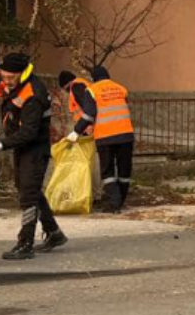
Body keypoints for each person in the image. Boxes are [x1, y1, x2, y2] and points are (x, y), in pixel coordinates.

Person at [0, 52, 67, 260]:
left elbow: (29, 132)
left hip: (35, 148)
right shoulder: (18, 85)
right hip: (22, 147)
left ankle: (25, 243)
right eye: (4, 76)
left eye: (10, 77)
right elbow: (7, 95)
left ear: (22, 73)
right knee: (28, 188)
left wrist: (1, 144)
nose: (7, 81)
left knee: (28, 195)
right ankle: (54, 233)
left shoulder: (34, 94)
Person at [89, 65, 136, 214]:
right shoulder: (120, 88)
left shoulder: (92, 90)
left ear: (93, 78)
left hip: (105, 136)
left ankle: (114, 203)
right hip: (126, 135)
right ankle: (120, 201)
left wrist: (76, 132)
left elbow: (89, 114)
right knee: (124, 169)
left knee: (107, 170)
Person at [57, 70, 97, 140]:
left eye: (65, 89)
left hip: (88, 127)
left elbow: (88, 109)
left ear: (67, 83)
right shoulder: (81, 84)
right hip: (86, 126)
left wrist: (87, 125)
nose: (66, 91)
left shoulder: (76, 87)